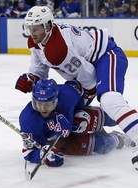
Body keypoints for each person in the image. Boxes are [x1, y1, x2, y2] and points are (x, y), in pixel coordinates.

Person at [15, 6, 138, 169]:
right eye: (30, 28)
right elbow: (39, 70)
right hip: (93, 62)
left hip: (107, 55)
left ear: (48, 26)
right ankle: (117, 135)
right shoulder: (39, 41)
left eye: (36, 28)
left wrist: (78, 103)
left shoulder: (58, 49)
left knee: (109, 99)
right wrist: (32, 78)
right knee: (83, 115)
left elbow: (88, 77)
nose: (33, 33)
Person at [20, 79, 135, 167]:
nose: (43, 109)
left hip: (75, 120)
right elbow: (28, 152)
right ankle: (119, 138)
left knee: (106, 117)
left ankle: (133, 124)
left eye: (47, 104)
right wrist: (44, 156)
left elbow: (79, 87)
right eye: (38, 104)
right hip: (59, 141)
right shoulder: (28, 120)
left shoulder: (67, 94)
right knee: (102, 145)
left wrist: (81, 111)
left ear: (56, 99)